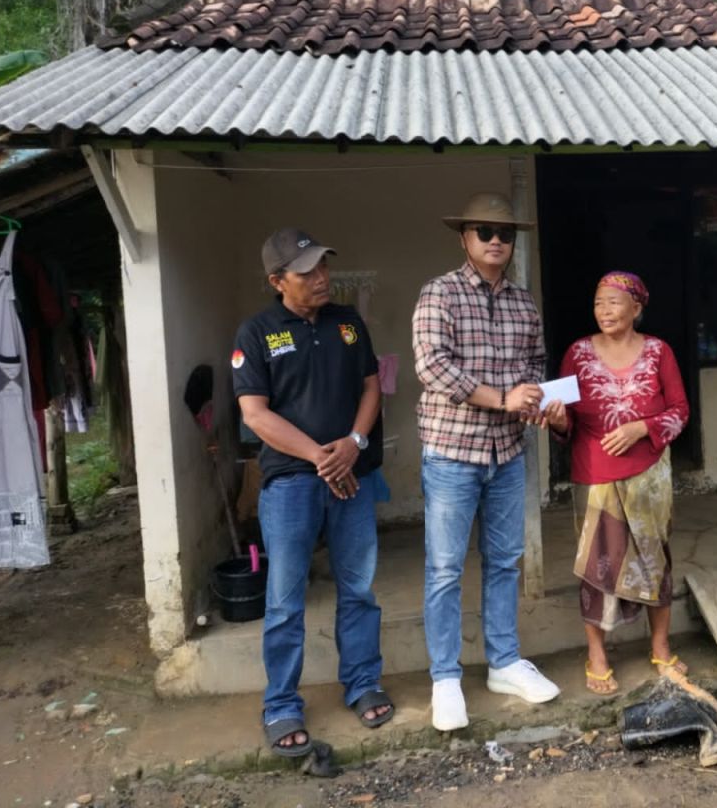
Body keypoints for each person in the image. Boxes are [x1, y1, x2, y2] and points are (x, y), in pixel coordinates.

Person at [232, 228, 393, 759]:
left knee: (358, 587)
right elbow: (255, 413)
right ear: (278, 281)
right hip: (294, 484)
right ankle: (281, 703)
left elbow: (371, 385)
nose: (322, 278)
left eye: (323, 267)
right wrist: (322, 456)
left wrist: (355, 442)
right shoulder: (257, 333)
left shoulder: (347, 322)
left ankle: (363, 681)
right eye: (307, 272)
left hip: (355, 474)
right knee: (284, 598)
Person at [412, 192, 561, 732]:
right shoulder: (440, 294)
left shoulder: (524, 304)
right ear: (464, 238)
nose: (496, 240)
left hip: (507, 453)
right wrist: (502, 398)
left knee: (505, 562)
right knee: (445, 568)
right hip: (453, 452)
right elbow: (433, 367)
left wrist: (542, 401)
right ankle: (445, 678)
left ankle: (501, 662)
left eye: (505, 233)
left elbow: (536, 367)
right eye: (484, 231)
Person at [544, 271, 690, 695]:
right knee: (598, 565)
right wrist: (557, 419)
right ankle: (597, 655)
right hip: (594, 473)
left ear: (636, 308)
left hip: (649, 474)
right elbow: (565, 418)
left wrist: (642, 428)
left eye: (613, 301)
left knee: (654, 557)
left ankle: (661, 647)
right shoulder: (577, 353)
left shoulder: (660, 351)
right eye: (598, 302)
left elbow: (680, 410)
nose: (604, 310)